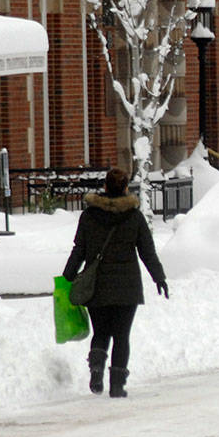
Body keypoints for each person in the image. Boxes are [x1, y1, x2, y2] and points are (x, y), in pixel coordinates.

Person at [62, 167, 169, 397]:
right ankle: (117, 385)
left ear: (105, 187)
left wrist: (68, 276)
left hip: (96, 285)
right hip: (126, 288)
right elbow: (147, 252)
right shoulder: (134, 216)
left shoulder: (89, 216)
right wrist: (159, 277)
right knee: (121, 335)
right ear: (125, 187)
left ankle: (97, 368)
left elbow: (79, 249)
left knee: (100, 332)